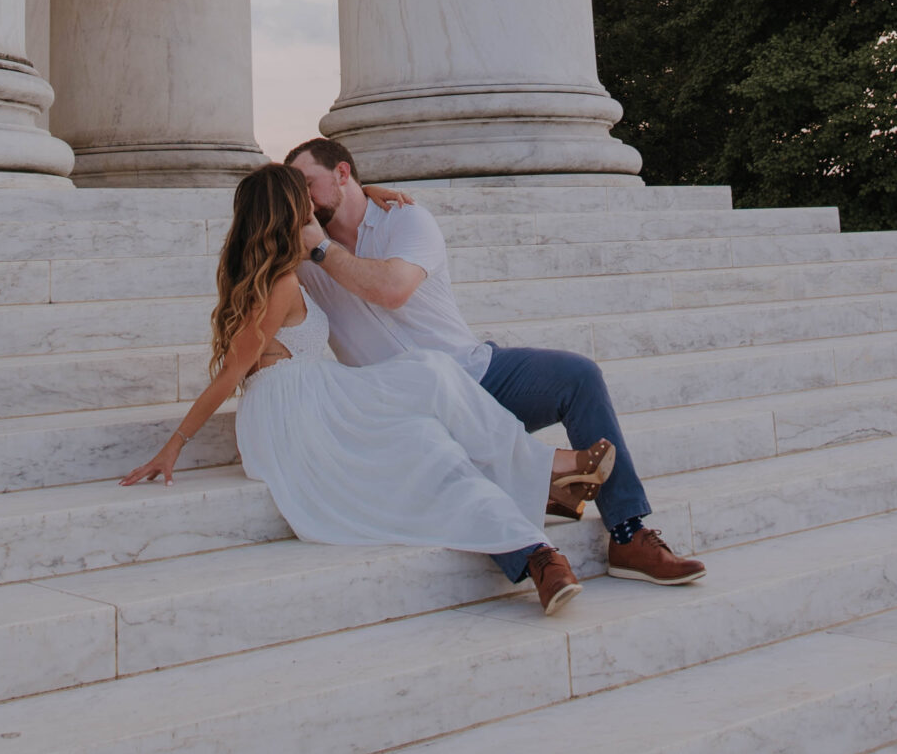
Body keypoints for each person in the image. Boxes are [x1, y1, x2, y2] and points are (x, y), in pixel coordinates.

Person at [120, 163, 610, 615]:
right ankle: (542, 544)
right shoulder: (281, 285)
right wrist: (174, 446)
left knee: (433, 374)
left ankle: (545, 502)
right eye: (304, 201)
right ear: (289, 211)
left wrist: (365, 191)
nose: (314, 207)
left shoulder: (298, 266)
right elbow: (230, 374)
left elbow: (322, 199)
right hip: (293, 416)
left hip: (322, 396)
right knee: (429, 445)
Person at [286, 135, 705, 588]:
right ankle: (539, 544)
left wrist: (327, 249)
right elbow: (252, 220)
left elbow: (392, 289)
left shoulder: (405, 219)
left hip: (477, 371)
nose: (302, 198)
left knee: (579, 376)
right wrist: (310, 245)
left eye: (308, 183)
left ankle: (628, 534)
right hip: (405, 406)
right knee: (443, 457)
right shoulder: (299, 255)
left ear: (343, 174)